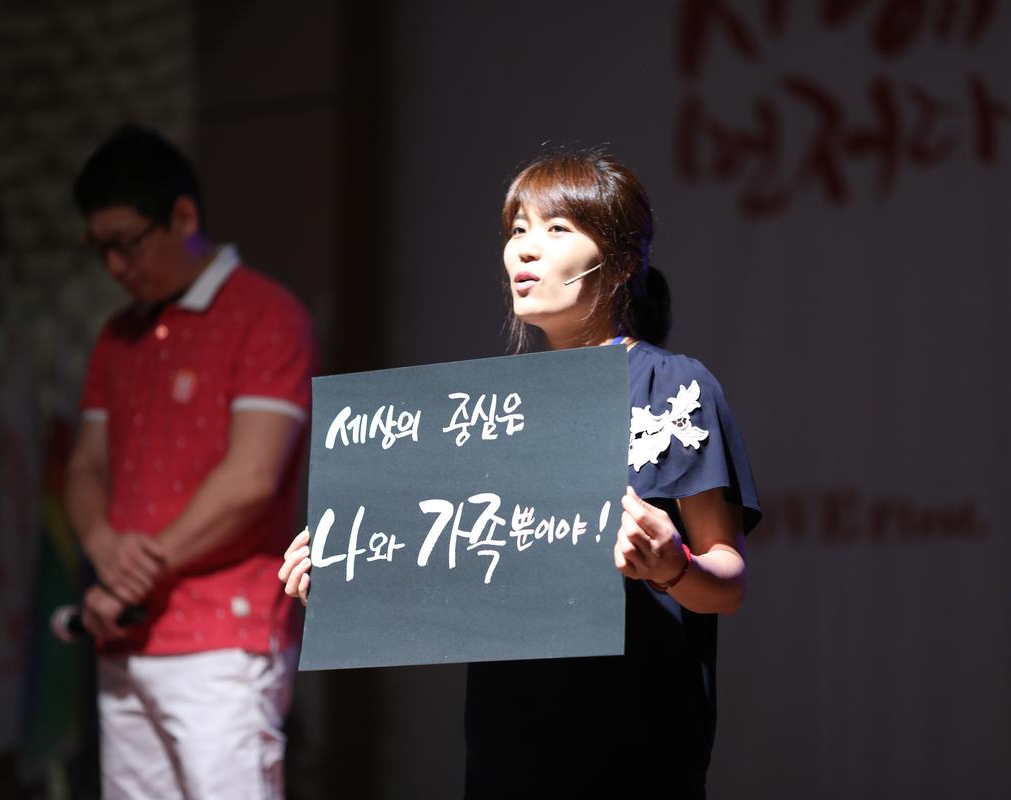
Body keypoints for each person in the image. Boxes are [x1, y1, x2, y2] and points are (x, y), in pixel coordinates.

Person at [279, 148, 759, 799]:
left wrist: (672, 564)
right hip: (509, 745)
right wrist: (352, 578)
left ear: (622, 263)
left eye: (557, 229)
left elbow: (728, 581)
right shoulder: (488, 413)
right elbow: (445, 570)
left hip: (635, 746)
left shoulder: (672, 388)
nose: (525, 249)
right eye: (518, 229)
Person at [65, 124, 317, 800]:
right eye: (100, 248)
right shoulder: (117, 336)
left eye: (126, 243)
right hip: (127, 631)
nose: (115, 266)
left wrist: (131, 574)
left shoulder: (265, 314)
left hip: (223, 635)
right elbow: (85, 467)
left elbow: (251, 479)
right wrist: (102, 546)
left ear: (182, 216)